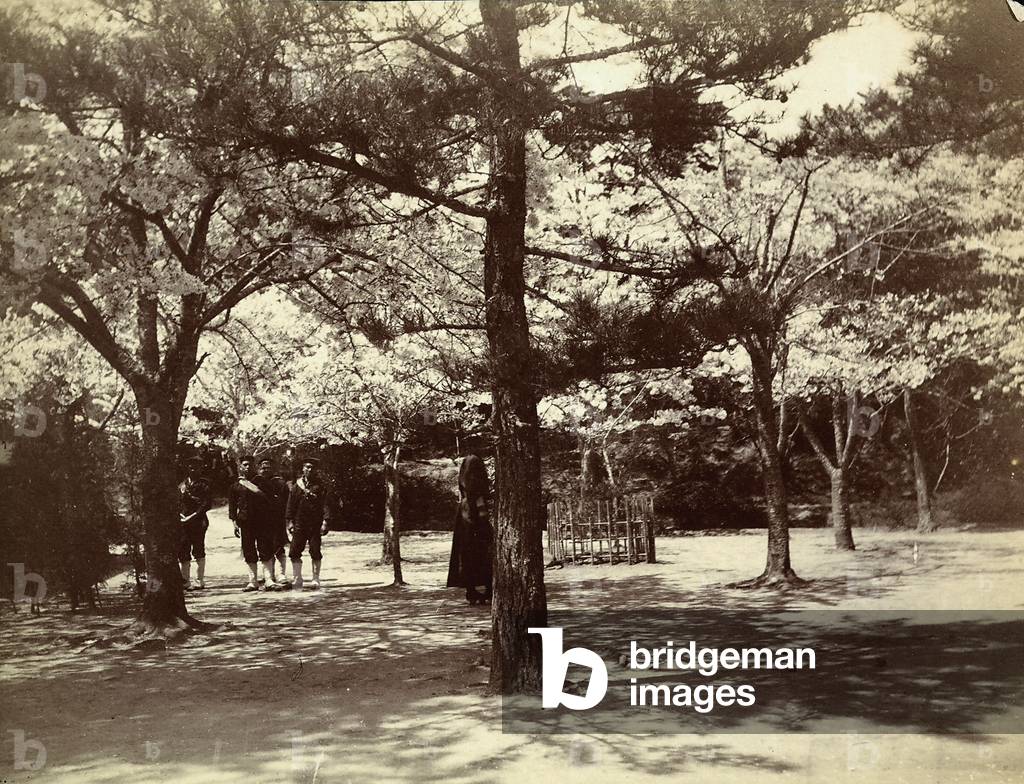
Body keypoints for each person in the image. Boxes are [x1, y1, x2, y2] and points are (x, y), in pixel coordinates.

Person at [446, 454, 493, 605]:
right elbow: (477, 492)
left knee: (467, 553)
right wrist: (483, 511)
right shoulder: (474, 464)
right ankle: (486, 588)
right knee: (483, 551)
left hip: (465, 512)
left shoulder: (466, 464)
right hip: (474, 514)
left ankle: (472, 590)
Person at [228, 455, 278, 591]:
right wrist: (234, 523)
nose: (248, 467)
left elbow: (271, 501)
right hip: (245, 522)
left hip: (262, 521)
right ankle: (252, 581)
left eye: (250, 464)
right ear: (240, 467)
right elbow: (232, 506)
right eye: (245, 465)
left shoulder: (262, 482)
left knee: (265, 548)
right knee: (248, 550)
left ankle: (268, 579)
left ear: (254, 466)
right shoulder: (236, 485)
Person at [286, 457, 330, 589]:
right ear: (303, 469)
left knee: (315, 550)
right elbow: (290, 505)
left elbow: (326, 504)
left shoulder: (320, 486)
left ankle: (315, 578)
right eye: (307, 467)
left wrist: (325, 521)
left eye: (312, 467)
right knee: (294, 551)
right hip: (299, 523)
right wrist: (289, 522)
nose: (309, 470)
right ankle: (297, 578)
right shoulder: (296, 486)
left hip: (315, 524)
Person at [255, 456, 290, 586]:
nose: (265, 470)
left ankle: (281, 574)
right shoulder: (255, 483)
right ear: (259, 469)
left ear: (273, 469)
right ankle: (268, 576)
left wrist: (287, 519)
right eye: (263, 468)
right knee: (264, 548)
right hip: (261, 521)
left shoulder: (280, 483)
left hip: (277, 520)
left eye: (268, 467)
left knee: (278, 546)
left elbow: (287, 503)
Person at [178, 458, 211, 590]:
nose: (193, 470)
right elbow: (178, 502)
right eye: (191, 467)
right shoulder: (182, 484)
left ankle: (199, 580)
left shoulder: (204, 484)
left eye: (196, 467)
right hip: (183, 522)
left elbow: (206, 504)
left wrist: (192, 516)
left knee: (198, 549)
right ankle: (185, 581)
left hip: (198, 521)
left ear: (200, 468)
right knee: (183, 549)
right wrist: (180, 514)